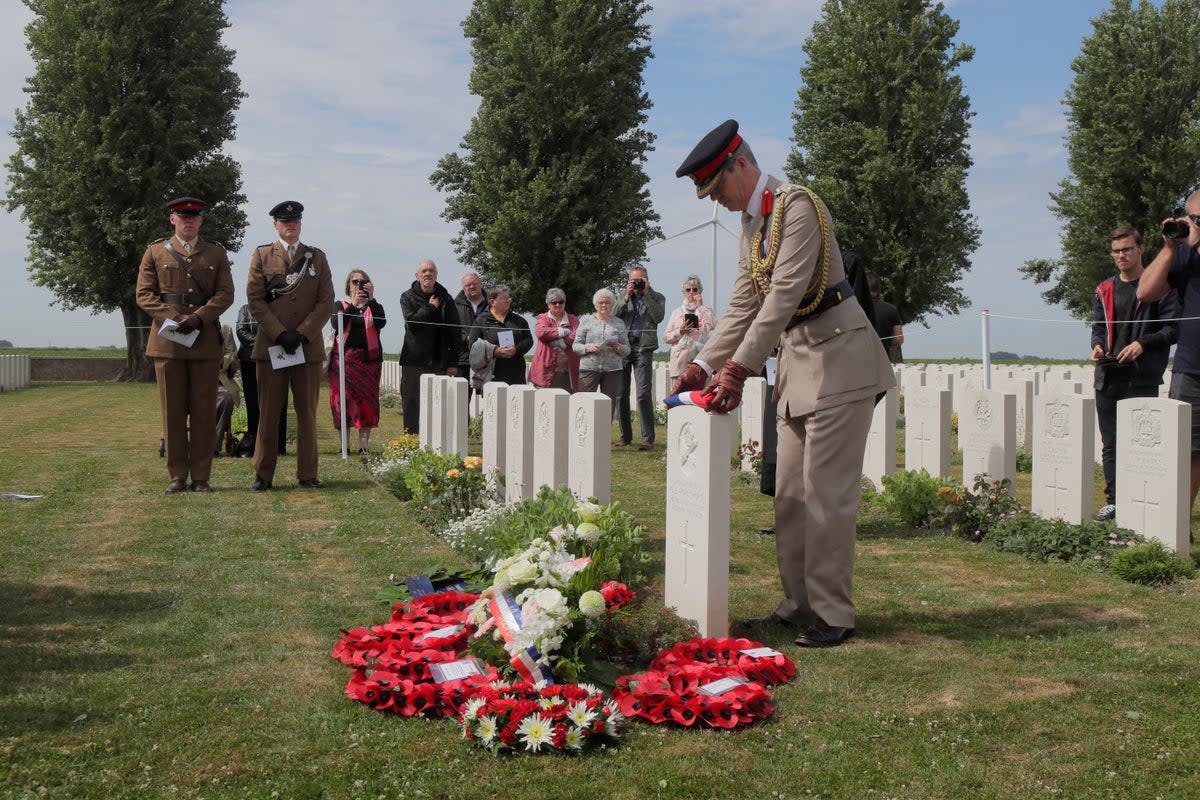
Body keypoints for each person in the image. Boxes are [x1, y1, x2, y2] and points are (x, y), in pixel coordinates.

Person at [673, 119, 894, 647]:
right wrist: (704, 363)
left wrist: (738, 368)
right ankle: (798, 604)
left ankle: (833, 612)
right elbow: (744, 305)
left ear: (741, 165)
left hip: (839, 361)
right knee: (790, 495)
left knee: (826, 497)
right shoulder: (753, 226)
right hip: (797, 369)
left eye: (718, 188)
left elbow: (786, 293)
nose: (718, 201)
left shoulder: (797, 205)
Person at [135, 196, 235, 493]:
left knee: (205, 412)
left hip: (203, 342)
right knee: (173, 412)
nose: (188, 220)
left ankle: (202, 476)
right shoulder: (155, 252)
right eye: (183, 215)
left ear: (201, 220)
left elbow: (225, 293)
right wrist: (175, 317)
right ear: (172, 219)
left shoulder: (215, 253)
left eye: (194, 216)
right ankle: (177, 475)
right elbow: (144, 294)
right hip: (168, 342)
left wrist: (200, 317)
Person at [245, 200, 336, 490]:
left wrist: (303, 333)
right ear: (275, 225)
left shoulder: (316, 258)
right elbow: (255, 299)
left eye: (295, 220)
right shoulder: (261, 256)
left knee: (307, 414)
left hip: (306, 348)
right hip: (272, 347)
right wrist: (280, 333)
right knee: (269, 412)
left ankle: (308, 473)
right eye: (285, 222)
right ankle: (263, 473)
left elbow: (325, 301)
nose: (290, 225)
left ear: (300, 223)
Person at [1090, 226, 1178, 521]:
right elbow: (1098, 326)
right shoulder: (1105, 289)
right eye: (1116, 251)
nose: (1121, 255)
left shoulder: (1159, 287)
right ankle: (1114, 500)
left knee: (1141, 443)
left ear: (1141, 249)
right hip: (1109, 375)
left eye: (1127, 249)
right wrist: (1098, 345)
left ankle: (1144, 498)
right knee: (1110, 443)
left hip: (1141, 377)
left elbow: (1172, 329)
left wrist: (1142, 343)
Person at [1138, 194, 1200, 509]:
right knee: (1186, 450)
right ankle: (1179, 524)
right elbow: (1146, 291)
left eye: (1197, 220)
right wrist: (1170, 247)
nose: (1191, 224)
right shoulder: (1182, 255)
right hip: (1191, 366)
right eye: (1189, 217)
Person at [399, 260, 461, 434]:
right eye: (424, 271)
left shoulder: (446, 298)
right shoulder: (407, 296)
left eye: (431, 271)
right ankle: (411, 440)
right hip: (413, 360)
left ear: (436, 275)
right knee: (412, 403)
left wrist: (453, 362)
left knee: (437, 403)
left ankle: (435, 441)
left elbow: (454, 332)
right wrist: (430, 308)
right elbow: (412, 323)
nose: (428, 274)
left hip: (438, 360)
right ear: (417, 276)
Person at [329, 269, 387, 454]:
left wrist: (371, 300)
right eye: (355, 282)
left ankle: (364, 446)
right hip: (343, 361)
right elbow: (336, 324)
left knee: (367, 404)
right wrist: (353, 305)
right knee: (341, 402)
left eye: (363, 282)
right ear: (348, 286)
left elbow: (381, 322)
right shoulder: (340, 305)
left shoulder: (374, 306)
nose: (359, 285)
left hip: (369, 362)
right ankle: (344, 445)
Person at [613, 265, 666, 450]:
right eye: (633, 280)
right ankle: (625, 436)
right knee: (621, 393)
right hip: (623, 348)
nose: (636, 283)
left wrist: (645, 294)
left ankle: (647, 439)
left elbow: (658, 317)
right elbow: (614, 316)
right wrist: (626, 296)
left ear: (646, 279)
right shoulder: (622, 296)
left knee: (643, 393)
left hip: (644, 347)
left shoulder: (657, 297)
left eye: (640, 279)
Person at [233, 303, 287, 458]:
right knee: (253, 403)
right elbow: (241, 332)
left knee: (279, 402)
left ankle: (279, 445)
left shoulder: (280, 308)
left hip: (276, 358)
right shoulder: (244, 309)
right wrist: (263, 343)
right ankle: (255, 444)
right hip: (250, 360)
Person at [573, 288, 629, 419]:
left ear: (613, 304)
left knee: (608, 406)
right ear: (595, 304)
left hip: (613, 370)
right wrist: (588, 347)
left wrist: (618, 346)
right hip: (589, 368)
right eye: (601, 302)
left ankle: (603, 437)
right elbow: (576, 345)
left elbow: (627, 350)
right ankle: (584, 436)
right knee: (585, 404)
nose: (604, 305)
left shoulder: (618, 323)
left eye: (607, 302)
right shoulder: (585, 321)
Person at [469, 284, 533, 385]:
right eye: (504, 298)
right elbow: (473, 344)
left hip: (516, 373)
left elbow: (528, 340)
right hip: (491, 374)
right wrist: (494, 351)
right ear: (492, 302)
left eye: (509, 297)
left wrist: (516, 349)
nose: (508, 300)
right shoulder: (481, 320)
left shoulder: (519, 320)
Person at [663, 274, 716, 382]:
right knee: (680, 395)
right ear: (684, 292)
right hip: (681, 359)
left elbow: (713, 325)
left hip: (701, 358)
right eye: (688, 290)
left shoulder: (706, 311)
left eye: (695, 289)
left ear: (700, 291)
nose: (691, 292)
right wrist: (680, 331)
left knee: (700, 395)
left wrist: (701, 306)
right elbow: (666, 338)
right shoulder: (676, 313)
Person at [530, 287, 580, 391]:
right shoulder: (543, 318)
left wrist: (560, 342)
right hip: (545, 370)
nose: (558, 305)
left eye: (560, 302)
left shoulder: (573, 319)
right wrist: (563, 331)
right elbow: (541, 333)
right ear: (548, 304)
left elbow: (577, 335)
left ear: (565, 303)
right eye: (554, 302)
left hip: (567, 371)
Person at [454, 272, 488, 396]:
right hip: (463, 358)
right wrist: (466, 339)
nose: (472, 287)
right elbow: (450, 330)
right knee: (461, 399)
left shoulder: (493, 305)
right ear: (463, 288)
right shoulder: (453, 306)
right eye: (468, 285)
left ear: (481, 284)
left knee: (492, 399)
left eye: (475, 283)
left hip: (488, 358)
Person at [214, 321, 241, 456]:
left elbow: (232, 353)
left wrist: (221, 360)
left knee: (226, 398)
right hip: (193, 382)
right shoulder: (188, 326)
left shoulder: (225, 328)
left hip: (219, 381)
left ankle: (213, 445)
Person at [867, 271, 904, 364]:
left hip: (858, 362)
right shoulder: (891, 309)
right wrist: (886, 342)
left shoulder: (854, 309)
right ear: (879, 288)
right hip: (883, 361)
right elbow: (899, 339)